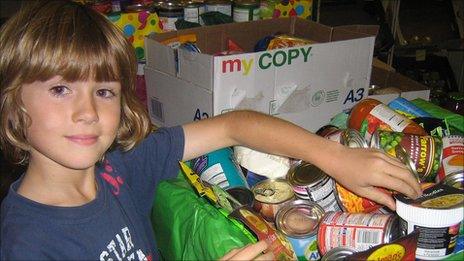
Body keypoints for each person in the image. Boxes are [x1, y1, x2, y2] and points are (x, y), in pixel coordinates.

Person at [0, 0, 422, 260]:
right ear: (14, 99)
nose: (87, 112)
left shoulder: (119, 168)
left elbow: (235, 125)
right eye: (60, 89)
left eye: (105, 92)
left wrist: (334, 156)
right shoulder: (27, 245)